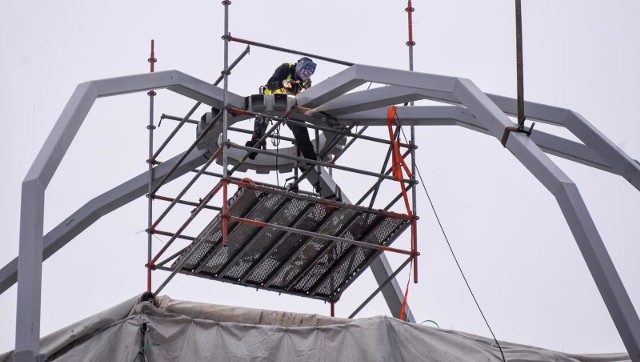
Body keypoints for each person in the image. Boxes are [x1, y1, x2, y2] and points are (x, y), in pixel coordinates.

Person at [245, 57, 317, 161]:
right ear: (299, 66)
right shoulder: (286, 68)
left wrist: (307, 89)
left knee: (300, 129)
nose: (305, 75)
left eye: (308, 73)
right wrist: (283, 83)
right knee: (261, 121)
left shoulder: (305, 82)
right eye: (304, 71)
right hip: (271, 100)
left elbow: (305, 98)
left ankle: (310, 157)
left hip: (289, 106)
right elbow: (270, 84)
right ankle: (254, 147)